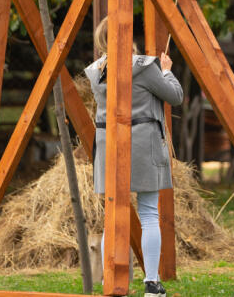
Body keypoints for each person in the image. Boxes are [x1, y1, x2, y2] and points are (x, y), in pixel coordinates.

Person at [85, 20, 183, 297]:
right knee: (149, 212)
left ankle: (109, 279)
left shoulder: (96, 71)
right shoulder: (144, 66)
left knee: (111, 217)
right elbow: (174, 96)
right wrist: (166, 72)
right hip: (143, 143)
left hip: (108, 145)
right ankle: (151, 283)